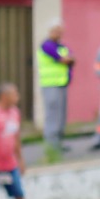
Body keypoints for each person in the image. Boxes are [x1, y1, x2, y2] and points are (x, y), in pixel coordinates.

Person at [37, 20, 75, 152]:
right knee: (52, 116)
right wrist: (68, 60)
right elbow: (64, 59)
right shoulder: (46, 45)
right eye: (56, 30)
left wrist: (69, 60)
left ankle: (58, 143)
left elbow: (72, 59)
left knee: (61, 116)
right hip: (50, 84)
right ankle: (50, 146)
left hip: (62, 84)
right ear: (51, 31)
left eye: (60, 30)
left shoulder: (62, 47)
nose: (59, 33)